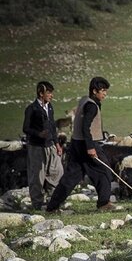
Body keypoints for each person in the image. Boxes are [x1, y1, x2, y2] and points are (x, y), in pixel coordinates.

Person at [46, 77, 115, 213]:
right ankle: (103, 203)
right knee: (105, 171)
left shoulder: (84, 100)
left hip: (76, 143)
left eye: (106, 91)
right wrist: (90, 147)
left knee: (71, 177)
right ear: (94, 91)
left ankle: (52, 207)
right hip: (87, 144)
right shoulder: (91, 106)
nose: (105, 94)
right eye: (103, 91)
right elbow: (86, 127)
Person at [23, 81, 64, 209]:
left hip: (50, 145)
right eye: (49, 93)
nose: (51, 95)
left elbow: (52, 126)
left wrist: (57, 144)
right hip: (36, 146)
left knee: (57, 171)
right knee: (37, 175)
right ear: (41, 93)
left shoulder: (50, 107)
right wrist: (38, 134)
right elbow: (25, 128)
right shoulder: (31, 109)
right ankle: (37, 203)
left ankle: (54, 200)